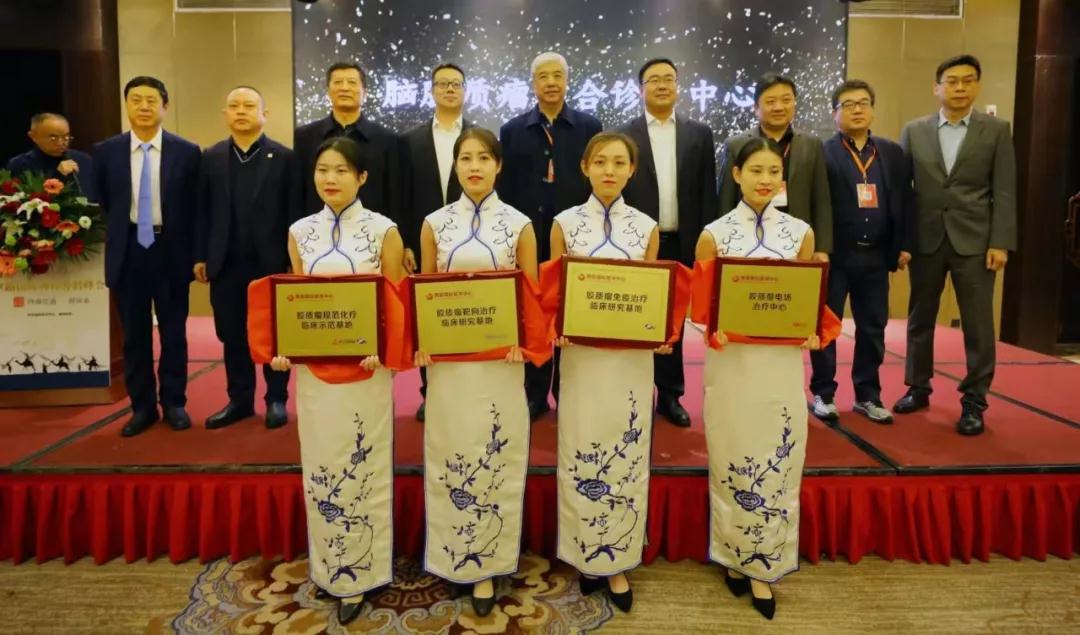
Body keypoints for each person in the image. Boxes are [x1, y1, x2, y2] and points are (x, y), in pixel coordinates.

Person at [269, 137, 406, 625]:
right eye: (323, 169)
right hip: (316, 375)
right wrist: (287, 348)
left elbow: (394, 304)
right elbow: (295, 301)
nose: (330, 178)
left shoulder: (384, 230)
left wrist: (383, 348)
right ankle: (330, 566)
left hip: (366, 371)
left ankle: (364, 571)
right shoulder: (299, 231)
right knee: (323, 462)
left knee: (363, 461)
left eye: (342, 170)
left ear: (362, 177)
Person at [695, 137, 822, 620]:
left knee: (778, 453)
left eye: (773, 172)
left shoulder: (800, 233)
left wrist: (810, 327)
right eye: (755, 171)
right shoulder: (714, 234)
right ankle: (732, 555)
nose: (765, 180)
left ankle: (764, 563)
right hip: (733, 365)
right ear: (736, 175)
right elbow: (700, 309)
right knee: (732, 453)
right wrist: (713, 327)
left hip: (780, 366)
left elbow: (807, 299)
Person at [415, 128, 538, 617]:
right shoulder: (434, 223)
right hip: (451, 367)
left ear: (498, 165)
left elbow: (530, 297)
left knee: (495, 451)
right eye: (465, 158)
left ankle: (488, 563)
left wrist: (523, 342)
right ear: (455, 166)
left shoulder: (519, 224)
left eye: (484, 158)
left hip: (500, 366)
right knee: (451, 451)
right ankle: (452, 555)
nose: (474, 167)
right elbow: (425, 293)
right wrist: (425, 343)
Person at [552, 132, 666, 613]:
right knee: (581, 446)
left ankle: (618, 557)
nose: (609, 171)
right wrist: (558, 326)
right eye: (600, 161)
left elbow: (654, 296)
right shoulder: (564, 223)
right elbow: (555, 294)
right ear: (585, 167)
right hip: (582, 359)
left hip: (629, 362)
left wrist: (657, 328)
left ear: (632, 170)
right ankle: (583, 552)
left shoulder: (646, 227)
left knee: (626, 450)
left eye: (619, 163)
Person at [894, 55, 1016, 436]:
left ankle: (974, 401)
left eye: (967, 80)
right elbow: (902, 191)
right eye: (951, 81)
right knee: (920, 318)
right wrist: (902, 240)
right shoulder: (914, 131)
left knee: (978, 325)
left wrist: (1000, 242)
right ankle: (918, 387)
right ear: (937, 88)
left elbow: (1004, 191)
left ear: (977, 86)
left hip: (976, 243)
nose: (959, 87)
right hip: (926, 239)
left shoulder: (996, 130)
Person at [92, 76, 201, 437]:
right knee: (134, 337)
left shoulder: (187, 152)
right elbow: (101, 201)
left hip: (170, 250)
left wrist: (196, 254)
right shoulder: (106, 152)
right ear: (126, 105)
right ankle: (142, 407)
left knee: (174, 333)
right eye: (135, 99)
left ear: (164, 107)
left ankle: (174, 403)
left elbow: (195, 208)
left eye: (151, 100)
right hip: (128, 252)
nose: (143, 106)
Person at [499, 51, 602, 421]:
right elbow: (506, 188)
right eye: (543, 76)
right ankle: (535, 392)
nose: (551, 82)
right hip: (531, 238)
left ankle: (568, 391)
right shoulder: (513, 130)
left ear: (567, 81)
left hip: (577, 237)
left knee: (570, 313)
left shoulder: (589, 126)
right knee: (534, 313)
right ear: (533, 83)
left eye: (558, 75)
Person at [618, 57, 718, 428]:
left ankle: (671, 395)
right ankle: (634, 393)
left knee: (673, 321)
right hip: (637, 242)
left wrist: (705, 243)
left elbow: (707, 191)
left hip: (681, 240)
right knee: (636, 318)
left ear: (677, 86)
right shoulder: (623, 134)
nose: (662, 85)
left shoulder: (699, 134)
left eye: (668, 79)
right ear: (640, 89)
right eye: (653, 80)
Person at [193, 86, 299, 431]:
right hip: (225, 262)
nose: (241, 111)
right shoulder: (210, 157)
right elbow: (201, 211)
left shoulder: (284, 158)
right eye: (234, 105)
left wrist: (293, 258)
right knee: (232, 333)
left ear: (264, 114)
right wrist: (201, 255)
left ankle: (276, 399)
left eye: (249, 105)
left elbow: (293, 213)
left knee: (274, 333)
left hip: (270, 262)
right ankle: (239, 400)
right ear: (225, 114)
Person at [809, 80, 913, 425]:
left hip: (876, 257)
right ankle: (824, 393)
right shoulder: (822, 152)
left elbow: (905, 200)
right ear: (834, 113)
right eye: (848, 104)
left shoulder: (891, 152)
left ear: (872, 109)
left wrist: (903, 244)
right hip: (835, 257)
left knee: (873, 328)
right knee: (827, 327)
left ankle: (868, 395)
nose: (857, 110)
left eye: (863, 103)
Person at [402, 62, 473, 422]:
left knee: (465, 315)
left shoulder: (479, 137)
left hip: (471, 242)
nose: (449, 89)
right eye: (442, 84)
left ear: (465, 91)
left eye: (456, 84)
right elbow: (402, 195)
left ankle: (464, 389)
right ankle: (429, 391)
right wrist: (407, 242)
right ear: (431, 91)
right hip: (423, 242)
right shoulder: (409, 141)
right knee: (428, 317)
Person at [718, 72, 832, 262]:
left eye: (786, 100)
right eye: (770, 101)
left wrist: (821, 248)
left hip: (797, 241)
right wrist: (725, 241)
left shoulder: (812, 144)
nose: (779, 107)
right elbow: (725, 200)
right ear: (756, 108)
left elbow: (821, 199)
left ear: (794, 104)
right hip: (747, 240)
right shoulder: (736, 145)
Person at [294, 62, 402, 221]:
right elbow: (296, 192)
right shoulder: (304, 137)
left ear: (365, 93)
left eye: (352, 82)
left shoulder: (387, 139)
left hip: (372, 228)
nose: (344, 88)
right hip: (318, 228)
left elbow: (396, 196)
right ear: (328, 92)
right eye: (338, 82)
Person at [7, 112, 94, 196]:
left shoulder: (84, 160)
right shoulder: (20, 165)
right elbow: (26, 200)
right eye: (53, 138)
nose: (61, 143)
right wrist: (58, 176)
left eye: (66, 137)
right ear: (33, 136)